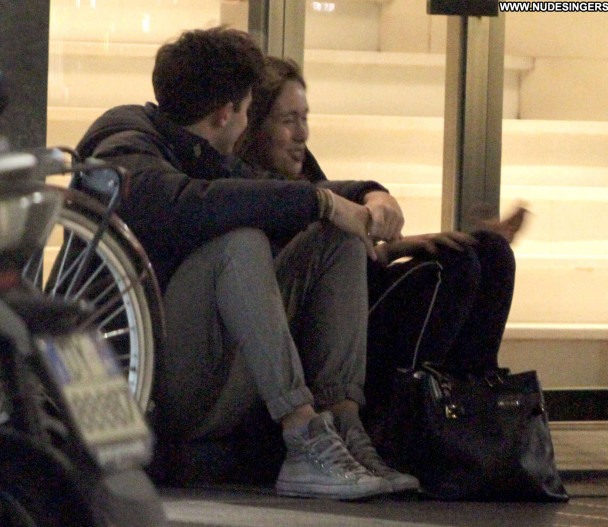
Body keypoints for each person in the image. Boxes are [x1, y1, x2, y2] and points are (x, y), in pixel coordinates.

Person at [75, 26, 420, 499]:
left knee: (334, 238)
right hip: (139, 389)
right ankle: (303, 436)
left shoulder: (207, 152)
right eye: (247, 108)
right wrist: (320, 202)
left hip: (206, 374)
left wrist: (367, 195)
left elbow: (278, 189)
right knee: (240, 243)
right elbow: (176, 202)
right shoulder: (125, 137)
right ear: (226, 113)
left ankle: (342, 426)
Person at [234, 56, 527, 414]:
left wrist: (397, 246)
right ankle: (407, 414)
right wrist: (368, 202)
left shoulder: (301, 171)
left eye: (304, 118)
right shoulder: (246, 189)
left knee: (490, 252)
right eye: (288, 120)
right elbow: (310, 268)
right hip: (314, 340)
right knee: (452, 269)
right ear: (252, 126)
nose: (302, 134)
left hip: (350, 303)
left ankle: (478, 407)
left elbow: (341, 258)